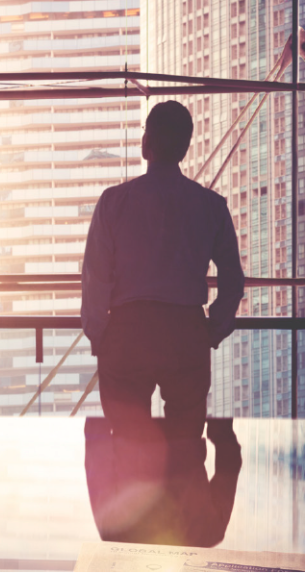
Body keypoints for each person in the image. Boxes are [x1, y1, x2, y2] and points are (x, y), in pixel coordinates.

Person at [81, 99, 245, 444]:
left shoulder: (113, 202)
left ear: (146, 143)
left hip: (127, 331)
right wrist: (211, 329)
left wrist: (100, 335)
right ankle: (184, 492)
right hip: (185, 332)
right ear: (185, 147)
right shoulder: (211, 206)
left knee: (127, 446)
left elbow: (96, 278)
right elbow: (232, 278)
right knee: (185, 444)